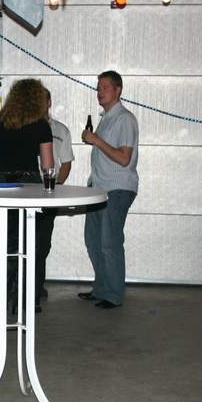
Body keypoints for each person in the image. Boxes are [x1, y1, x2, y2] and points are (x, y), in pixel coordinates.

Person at [0, 78, 55, 311]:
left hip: (5, 184)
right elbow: (47, 165)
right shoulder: (41, 125)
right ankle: (27, 298)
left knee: (10, 241)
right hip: (31, 185)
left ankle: (6, 292)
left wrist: (0, 177)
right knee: (32, 243)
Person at [77, 70, 139, 309]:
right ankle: (102, 289)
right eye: (98, 88)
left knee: (109, 243)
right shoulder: (107, 119)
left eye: (104, 87)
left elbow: (124, 158)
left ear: (118, 90)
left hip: (117, 189)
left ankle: (114, 295)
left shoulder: (125, 119)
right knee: (93, 241)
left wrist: (96, 140)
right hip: (99, 189)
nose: (99, 92)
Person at [38, 89, 74, 300]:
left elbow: (66, 163)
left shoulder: (61, 130)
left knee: (43, 241)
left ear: (49, 103)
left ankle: (37, 284)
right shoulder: (23, 128)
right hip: (27, 190)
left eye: (42, 101)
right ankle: (21, 284)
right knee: (23, 239)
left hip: (50, 192)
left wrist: (56, 186)